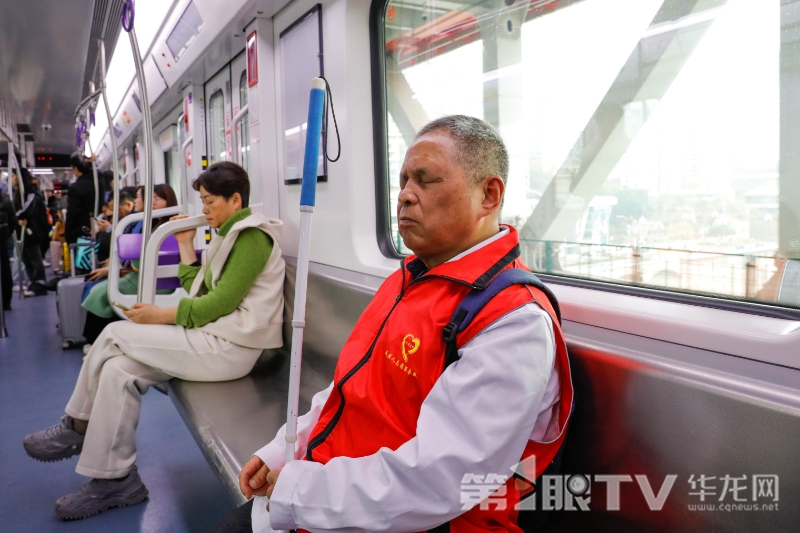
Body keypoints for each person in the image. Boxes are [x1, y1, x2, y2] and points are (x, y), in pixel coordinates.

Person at [215, 116, 572, 533]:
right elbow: (349, 386)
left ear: (488, 195)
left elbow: (438, 480)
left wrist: (297, 490)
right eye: (403, 181)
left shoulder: (512, 323)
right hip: (333, 497)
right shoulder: (408, 279)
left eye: (426, 180)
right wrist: (283, 450)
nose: (404, 196)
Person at [23, 162, 286, 520]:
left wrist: (162, 315)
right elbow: (200, 287)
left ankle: (77, 425)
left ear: (235, 199)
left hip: (231, 348)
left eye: (209, 202)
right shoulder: (228, 233)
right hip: (215, 337)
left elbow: (219, 304)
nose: (204, 209)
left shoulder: (253, 236)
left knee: (114, 333)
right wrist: (186, 246)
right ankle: (115, 479)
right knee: (118, 370)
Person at [81, 185, 174, 347]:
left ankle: (94, 340)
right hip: (146, 276)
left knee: (101, 292)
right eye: (151, 198)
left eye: (158, 199)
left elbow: (143, 261)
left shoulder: (168, 228)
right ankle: (96, 339)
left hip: (155, 280)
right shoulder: (151, 224)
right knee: (100, 290)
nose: (152, 202)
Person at [11, 168, 48, 296]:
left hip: (32, 231)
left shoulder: (31, 193)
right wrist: (16, 220)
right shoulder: (19, 193)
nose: (12, 179)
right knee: (27, 260)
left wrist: (14, 218)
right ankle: (34, 284)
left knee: (35, 259)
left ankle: (40, 286)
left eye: (14, 176)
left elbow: (27, 210)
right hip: (24, 231)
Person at [65, 152, 104, 245]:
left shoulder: (76, 188)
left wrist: (68, 235)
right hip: (99, 228)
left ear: (75, 169)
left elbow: (73, 213)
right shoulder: (100, 183)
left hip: (81, 233)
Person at [0, 183, 16, 310]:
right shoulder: (6, 200)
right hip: (2, 241)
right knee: (5, 272)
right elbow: (13, 222)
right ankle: (6, 302)